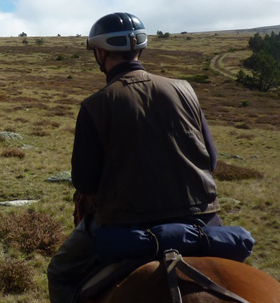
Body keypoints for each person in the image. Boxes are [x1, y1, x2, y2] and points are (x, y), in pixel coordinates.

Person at [46, 12, 221, 303]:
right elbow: (211, 161)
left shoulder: (96, 104)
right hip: (202, 220)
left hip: (126, 224)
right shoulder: (185, 89)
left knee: (60, 272)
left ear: (99, 52)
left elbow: (85, 181)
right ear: (140, 47)